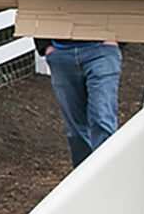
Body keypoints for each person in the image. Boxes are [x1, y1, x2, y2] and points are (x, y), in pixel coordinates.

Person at [40, 36, 121, 167]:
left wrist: (116, 38)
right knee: (75, 129)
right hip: (61, 54)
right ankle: (84, 179)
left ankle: (107, 176)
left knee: (102, 118)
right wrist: (45, 47)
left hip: (101, 50)